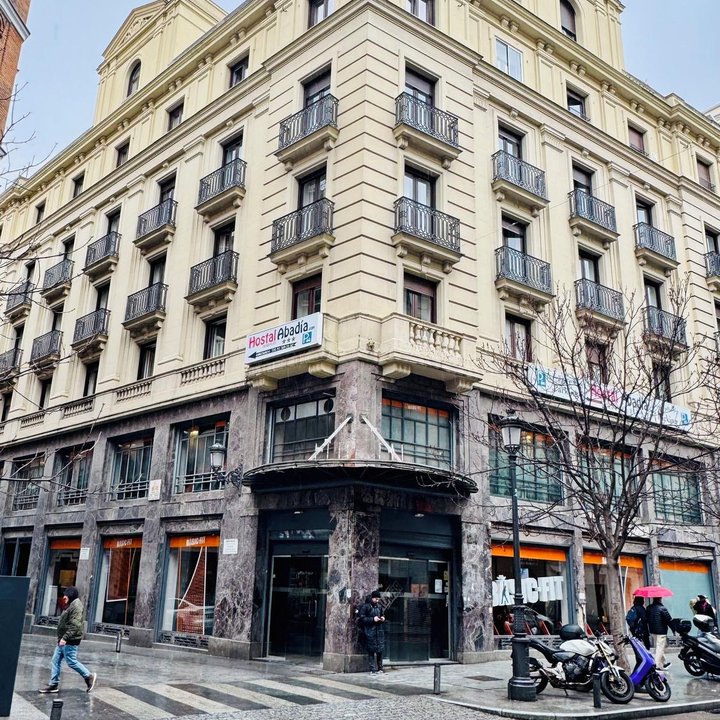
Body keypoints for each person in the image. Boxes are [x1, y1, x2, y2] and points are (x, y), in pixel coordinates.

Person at [38, 586, 97, 694]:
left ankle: (88, 676)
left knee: (71, 661)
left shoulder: (76, 606)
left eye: (65, 596)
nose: (64, 598)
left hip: (69, 639)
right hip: (64, 639)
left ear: (70, 595)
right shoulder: (71, 605)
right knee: (55, 660)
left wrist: (65, 638)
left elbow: (75, 625)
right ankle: (54, 684)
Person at [358, 589, 386, 675]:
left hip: (379, 632)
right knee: (371, 651)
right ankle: (372, 669)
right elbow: (362, 618)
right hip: (370, 631)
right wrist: (373, 619)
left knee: (380, 651)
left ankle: (380, 668)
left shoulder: (379, 607)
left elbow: (382, 614)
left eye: (378, 599)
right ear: (372, 598)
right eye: (376, 599)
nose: (377, 600)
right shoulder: (366, 606)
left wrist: (382, 618)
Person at [646, 596, 673, 669]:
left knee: (659, 647)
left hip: (653, 630)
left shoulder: (649, 608)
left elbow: (646, 618)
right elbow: (669, 619)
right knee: (660, 648)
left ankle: (664, 663)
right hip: (661, 631)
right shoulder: (662, 608)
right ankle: (656, 665)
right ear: (660, 599)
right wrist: (674, 629)